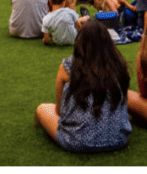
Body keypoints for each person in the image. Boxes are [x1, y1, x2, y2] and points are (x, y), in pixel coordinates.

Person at [34, 22, 131, 153]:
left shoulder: (68, 66)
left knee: (42, 109)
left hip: (78, 141)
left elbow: (59, 111)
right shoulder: (119, 65)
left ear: (79, 42)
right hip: (118, 139)